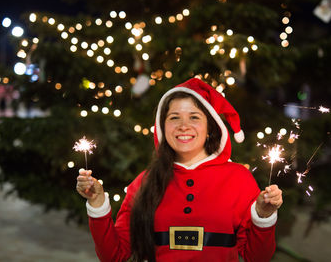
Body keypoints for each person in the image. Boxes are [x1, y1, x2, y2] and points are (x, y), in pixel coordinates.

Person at [76, 78, 283, 262]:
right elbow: (114, 256)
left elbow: (257, 257)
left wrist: (263, 218)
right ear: (162, 127)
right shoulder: (145, 181)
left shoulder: (239, 179)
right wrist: (97, 205)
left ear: (210, 127)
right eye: (174, 117)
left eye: (194, 117)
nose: (184, 126)